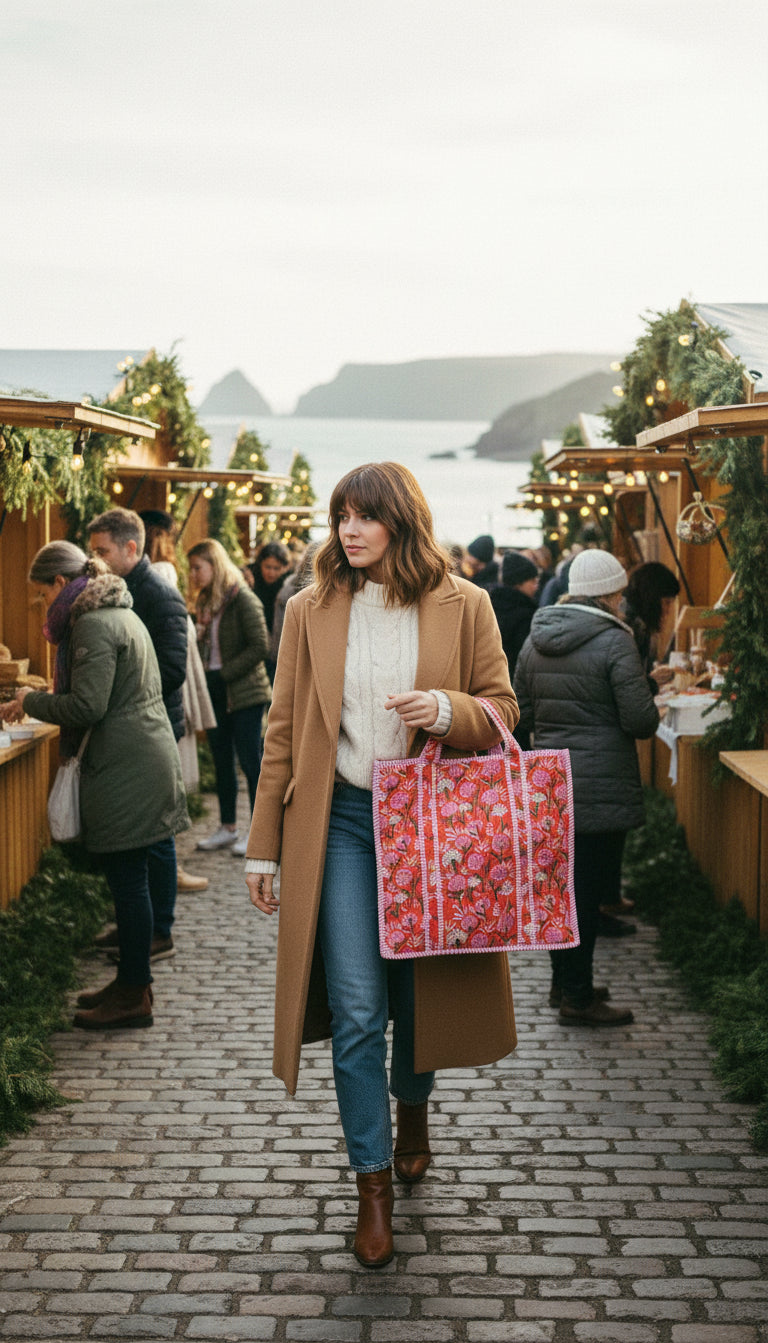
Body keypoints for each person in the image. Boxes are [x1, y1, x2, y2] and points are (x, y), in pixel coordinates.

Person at [244, 461, 519, 1268]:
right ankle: (372, 1186)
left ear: (401, 520)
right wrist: (264, 844)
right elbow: (283, 729)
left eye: (365, 517)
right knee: (360, 1009)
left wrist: (447, 710)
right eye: (341, 518)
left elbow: (503, 709)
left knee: (415, 995)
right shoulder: (309, 609)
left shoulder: (465, 604)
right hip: (339, 822)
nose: (349, 532)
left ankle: (415, 1108)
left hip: (430, 825)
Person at [1, 542, 188, 1029]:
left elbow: (87, 706)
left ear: (61, 584)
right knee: (133, 880)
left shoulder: (91, 625)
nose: (43, 607)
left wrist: (31, 699)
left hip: (126, 766)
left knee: (128, 883)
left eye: (42, 595)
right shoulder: (112, 612)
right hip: (137, 759)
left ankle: (133, 994)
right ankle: (133, 982)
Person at [514, 548, 659, 1028]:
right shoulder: (615, 642)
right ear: (611, 594)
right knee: (589, 895)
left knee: (560, 890)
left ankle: (564, 983)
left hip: (550, 785)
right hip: (599, 786)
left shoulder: (536, 641)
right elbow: (639, 720)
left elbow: (522, 718)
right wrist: (649, 690)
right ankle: (578, 997)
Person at [87, 508, 189, 960]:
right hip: (139, 726)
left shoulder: (160, 596)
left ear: (131, 548)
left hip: (155, 726)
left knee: (157, 841)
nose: (97, 560)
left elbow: (172, 669)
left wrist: (121, 682)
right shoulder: (126, 590)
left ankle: (158, 931)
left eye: (102, 551)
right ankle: (136, 927)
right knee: (143, 842)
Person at [139, 509, 216, 893]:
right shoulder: (163, 574)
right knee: (167, 785)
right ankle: (170, 870)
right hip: (176, 680)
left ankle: (168, 871)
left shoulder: (153, 577)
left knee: (162, 788)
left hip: (170, 680)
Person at [188, 538, 271, 857]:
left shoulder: (242, 599)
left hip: (245, 693)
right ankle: (227, 827)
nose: (194, 574)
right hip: (215, 691)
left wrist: (223, 673)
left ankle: (258, 833)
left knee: (251, 763)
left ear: (215, 565)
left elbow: (260, 646)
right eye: (192, 568)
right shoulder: (206, 600)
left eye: (199, 567)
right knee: (222, 759)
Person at [489, 551, 539, 749]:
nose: (536, 586)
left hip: (490, 693)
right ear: (519, 582)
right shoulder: (526, 615)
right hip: (515, 694)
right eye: (532, 581)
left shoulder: (490, 605)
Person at [623, 561, 681, 691]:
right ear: (652, 599)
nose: (668, 610)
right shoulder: (629, 627)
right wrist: (652, 682)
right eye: (667, 603)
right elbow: (626, 687)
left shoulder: (638, 623)